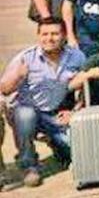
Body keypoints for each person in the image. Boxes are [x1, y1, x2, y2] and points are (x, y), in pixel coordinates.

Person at [0, 18, 85, 187]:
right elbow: (4, 89)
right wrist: (18, 76)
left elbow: (85, 86)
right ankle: (29, 165)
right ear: (38, 36)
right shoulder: (25, 58)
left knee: (75, 153)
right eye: (45, 34)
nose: (49, 38)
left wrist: (75, 109)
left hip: (54, 114)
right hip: (25, 112)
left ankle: (56, 143)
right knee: (26, 115)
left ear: (64, 36)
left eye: (55, 34)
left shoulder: (76, 56)